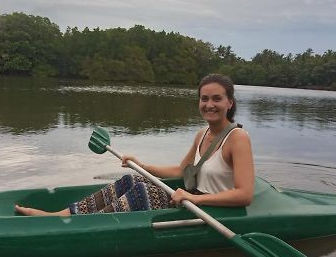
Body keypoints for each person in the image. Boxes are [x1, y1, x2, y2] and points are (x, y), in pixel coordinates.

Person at [15, 74, 254, 216]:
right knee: (133, 180)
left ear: (229, 103)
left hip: (213, 208)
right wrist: (141, 165)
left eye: (217, 99)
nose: (209, 104)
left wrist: (196, 200)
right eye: (204, 98)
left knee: (143, 191)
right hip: (192, 198)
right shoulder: (202, 134)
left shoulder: (237, 138)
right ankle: (61, 216)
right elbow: (182, 172)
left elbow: (244, 195)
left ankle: (78, 225)